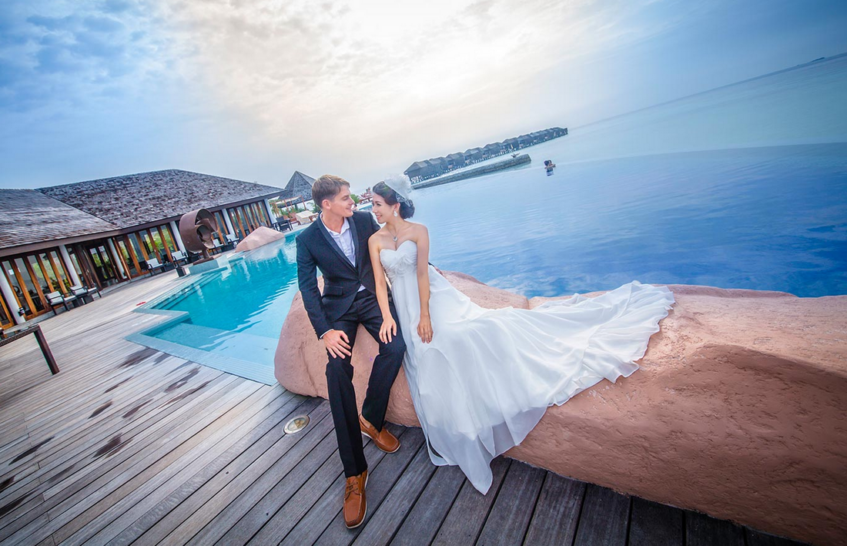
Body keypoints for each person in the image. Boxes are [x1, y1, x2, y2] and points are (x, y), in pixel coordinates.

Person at [368, 174, 675, 494]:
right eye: (372, 204)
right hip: (403, 308)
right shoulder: (375, 240)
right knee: (430, 357)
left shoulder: (419, 232)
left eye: (377, 204)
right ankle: (462, 427)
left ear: (395, 204)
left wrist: (426, 316)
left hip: (434, 301)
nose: (373, 209)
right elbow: (380, 283)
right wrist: (389, 316)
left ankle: (486, 410)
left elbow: (422, 275)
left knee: (475, 331)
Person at [295, 175, 406, 528]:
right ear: (326, 204)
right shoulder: (306, 239)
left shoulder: (361, 220)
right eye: (345, 198)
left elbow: (389, 244)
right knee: (336, 371)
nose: (353, 203)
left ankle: (371, 419)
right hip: (338, 310)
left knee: (396, 345)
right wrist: (325, 331)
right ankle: (355, 473)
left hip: (372, 301)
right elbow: (308, 289)